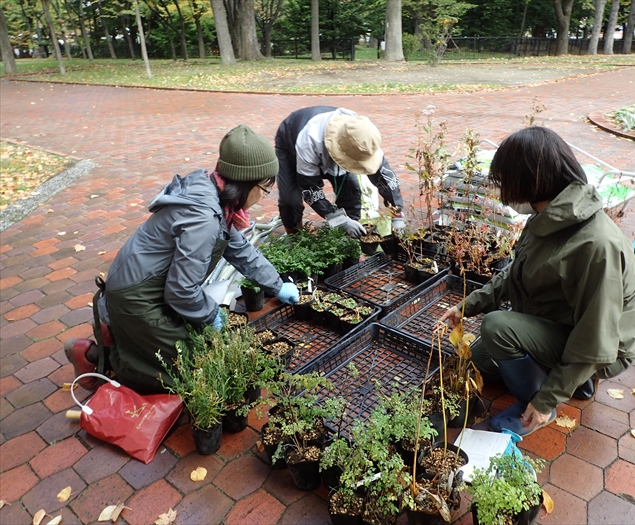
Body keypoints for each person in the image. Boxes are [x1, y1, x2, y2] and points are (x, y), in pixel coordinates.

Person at [439, 126, 635, 437]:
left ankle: (537, 408)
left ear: (528, 181)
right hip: (565, 322)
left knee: (497, 327)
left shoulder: (595, 245)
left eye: (504, 181)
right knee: (479, 359)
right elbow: (516, 272)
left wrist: (546, 399)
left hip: (606, 346)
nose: (501, 191)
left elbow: (595, 337)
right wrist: (466, 306)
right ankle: (572, 379)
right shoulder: (549, 215)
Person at [65, 125, 299, 393]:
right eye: (265, 188)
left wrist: (277, 285)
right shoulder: (204, 218)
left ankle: (122, 335)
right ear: (245, 182)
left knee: (193, 342)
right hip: (137, 296)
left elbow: (240, 250)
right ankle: (96, 356)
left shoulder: (214, 195)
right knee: (184, 371)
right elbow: (181, 291)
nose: (264, 195)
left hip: (146, 284)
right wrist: (211, 314)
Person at [274, 105, 405, 238]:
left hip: (341, 143)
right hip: (290, 141)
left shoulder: (363, 139)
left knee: (351, 192)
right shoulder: (309, 140)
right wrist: (340, 220)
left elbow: (384, 177)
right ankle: (294, 237)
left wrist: (397, 213)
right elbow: (310, 189)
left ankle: (350, 239)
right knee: (290, 200)